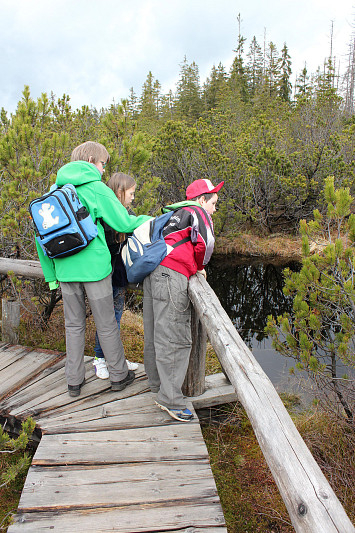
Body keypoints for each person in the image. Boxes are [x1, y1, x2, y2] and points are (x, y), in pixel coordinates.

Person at [35, 141, 150, 396]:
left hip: (65, 270)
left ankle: (74, 382)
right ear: (90, 160)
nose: (102, 170)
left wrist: (52, 276)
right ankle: (119, 375)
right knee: (107, 323)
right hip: (95, 269)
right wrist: (152, 219)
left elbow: (40, 238)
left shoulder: (54, 190)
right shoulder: (96, 188)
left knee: (73, 326)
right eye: (102, 164)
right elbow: (123, 221)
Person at [143, 178, 223, 422]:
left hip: (153, 273)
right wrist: (199, 266)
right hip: (172, 276)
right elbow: (206, 244)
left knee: (156, 332)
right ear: (201, 200)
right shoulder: (197, 212)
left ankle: (157, 385)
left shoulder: (175, 213)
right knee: (175, 338)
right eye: (214, 203)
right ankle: (171, 399)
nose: (214, 209)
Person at [93, 172, 139, 379]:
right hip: (105, 271)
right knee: (107, 318)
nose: (133, 197)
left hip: (118, 273)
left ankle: (115, 358)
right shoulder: (107, 214)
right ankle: (100, 359)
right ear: (120, 192)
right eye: (131, 193)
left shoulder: (125, 212)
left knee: (116, 316)